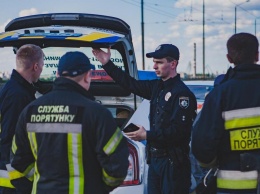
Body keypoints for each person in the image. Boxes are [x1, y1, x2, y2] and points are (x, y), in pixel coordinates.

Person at [10, 51, 129, 194]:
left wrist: (40, 181)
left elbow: (18, 160)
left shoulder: (30, 111)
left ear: (58, 75)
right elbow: (117, 165)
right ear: (87, 76)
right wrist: (99, 187)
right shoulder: (97, 113)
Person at [93, 44, 197, 194]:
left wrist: (147, 135)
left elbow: (179, 133)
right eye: (154, 62)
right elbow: (130, 84)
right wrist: (107, 64)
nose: (154, 66)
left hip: (173, 164)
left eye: (159, 62)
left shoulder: (182, 95)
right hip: (154, 160)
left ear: (173, 64)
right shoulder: (157, 87)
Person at [191, 32, 260, 194]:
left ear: (229, 58)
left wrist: (214, 163)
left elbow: (201, 146)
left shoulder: (220, 95)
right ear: (257, 55)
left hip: (234, 187)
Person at [0, 44, 44, 194]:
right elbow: (9, 138)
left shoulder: (14, 88)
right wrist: (19, 180)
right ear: (36, 66)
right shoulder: (18, 95)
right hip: (11, 180)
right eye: (43, 65)